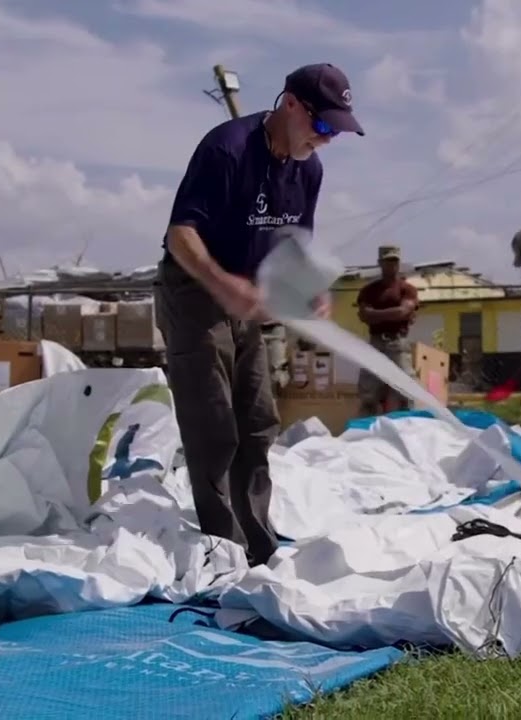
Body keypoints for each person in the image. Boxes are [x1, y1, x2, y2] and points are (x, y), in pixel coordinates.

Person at [155, 62, 364, 566]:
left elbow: (295, 244)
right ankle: (223, 550)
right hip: (195, 286)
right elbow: (181, 233)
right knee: (214, 419)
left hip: (249, 292)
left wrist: (310, 288)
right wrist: (221, 283)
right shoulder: (226, 148)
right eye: (321, 125)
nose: (327, 139)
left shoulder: (309, 170)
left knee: (257, 419)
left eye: (337, 131)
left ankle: (258, 542)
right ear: (290, 104)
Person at [356, 245, 420, 416]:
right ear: (380, 263)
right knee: (368, 391)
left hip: (397, 343)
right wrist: (395, 314)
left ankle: (409, 428)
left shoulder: (407, 289)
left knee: (405, 389)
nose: (391, 265)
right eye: (387, 261)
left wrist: (375, 314)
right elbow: (364, 315)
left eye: (394, 261)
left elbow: (403, 311)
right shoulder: (369, 290)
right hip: (376, 342)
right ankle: (365, 429)